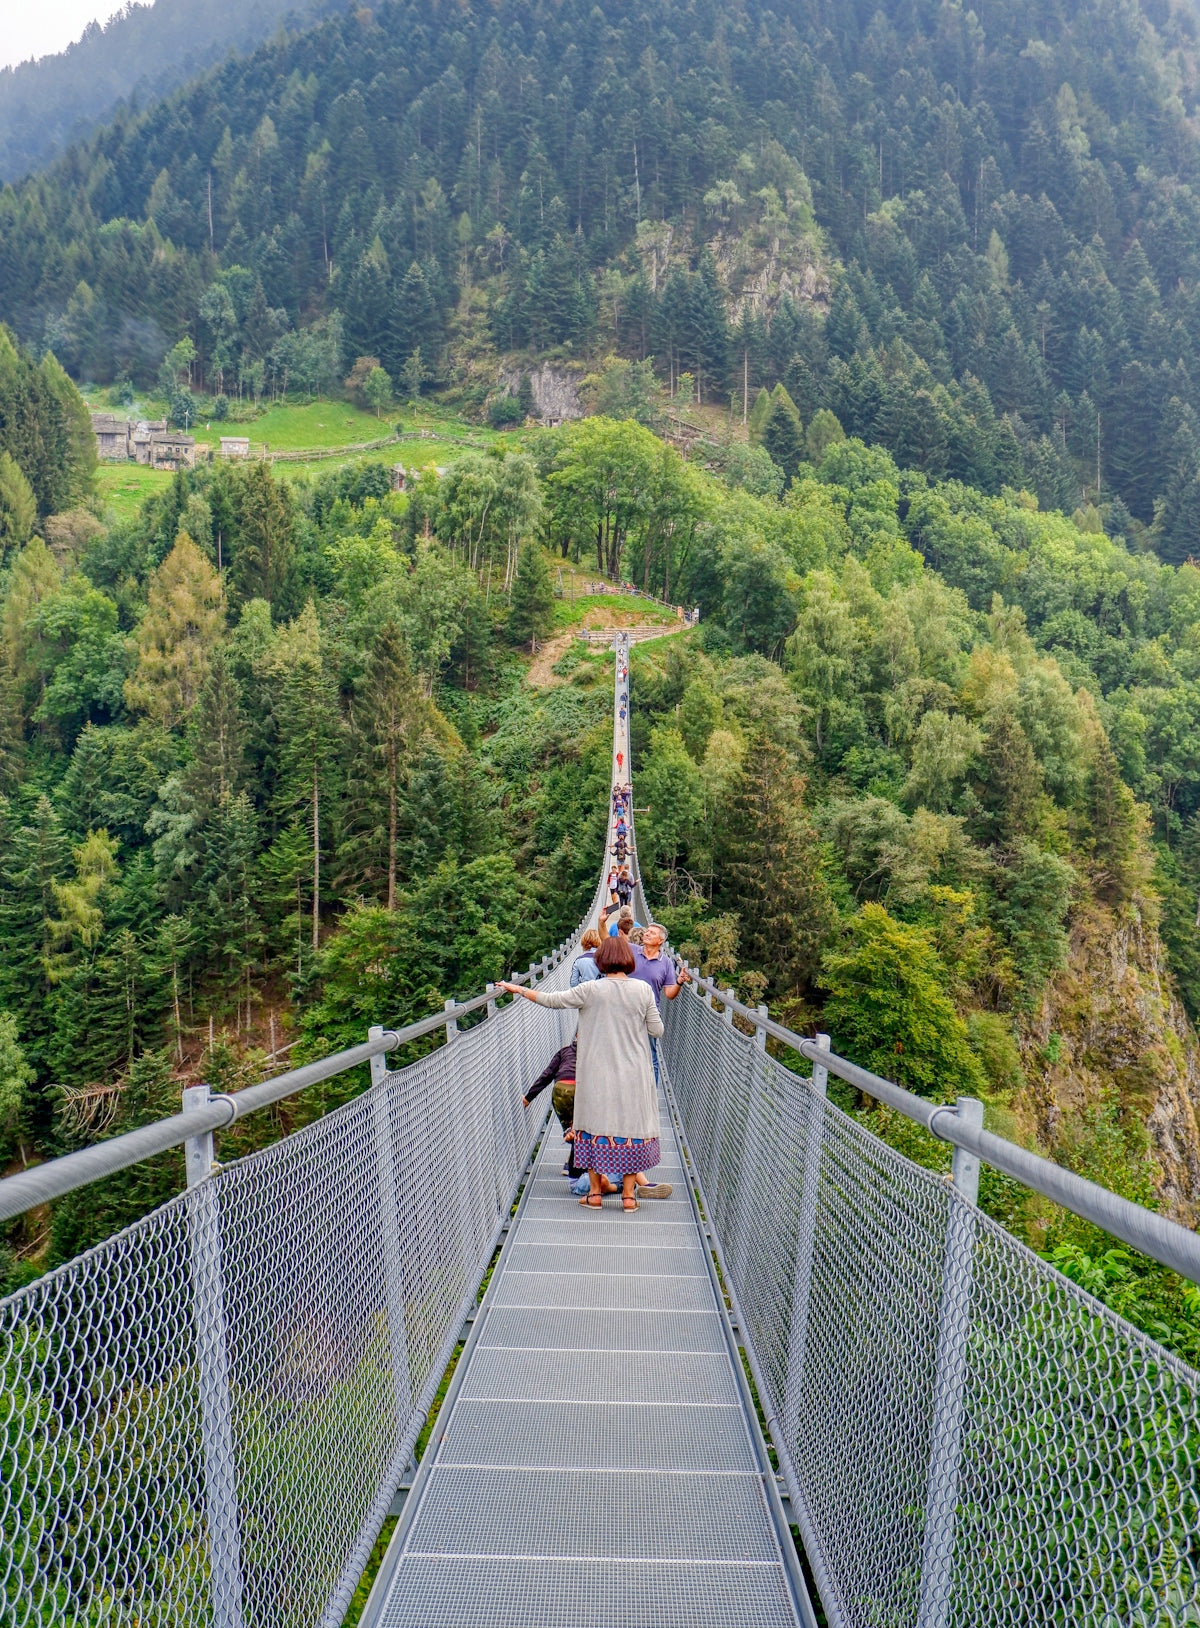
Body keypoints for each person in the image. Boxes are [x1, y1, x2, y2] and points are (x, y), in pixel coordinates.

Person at [501, 934, 668, 1210]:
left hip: (596, 1075)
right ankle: (628, 1198)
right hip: (634, 1075)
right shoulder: (642, 990)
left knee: (592, 1128)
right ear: (629, 960)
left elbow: (551, 1000)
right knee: (630, 1129)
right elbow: (657, 1030)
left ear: (601, 961)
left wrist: (518, 990)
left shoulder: (590, 989)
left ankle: (594, 1195)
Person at [631, 922, 691, 1084]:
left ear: (660, 941)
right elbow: (606, 940)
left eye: (652, 933)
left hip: (649, 1014)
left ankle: (651, 1100)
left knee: (650, 1057)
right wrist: (601, 923)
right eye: (647, 931)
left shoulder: (666, 963)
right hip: (626, 1011)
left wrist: (679, 982)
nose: (647, 934)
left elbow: (669, 994)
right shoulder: (631, 950)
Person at [522, 1040, 582, 1178]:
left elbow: (547, 1075)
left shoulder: (564, 1052)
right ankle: (572, 1165)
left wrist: (528, 1098)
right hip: (582, 1090)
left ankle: (570, 1160)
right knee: (582, 1128)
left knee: (571, 1128)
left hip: (561, 1090)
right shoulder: (594, 1051)